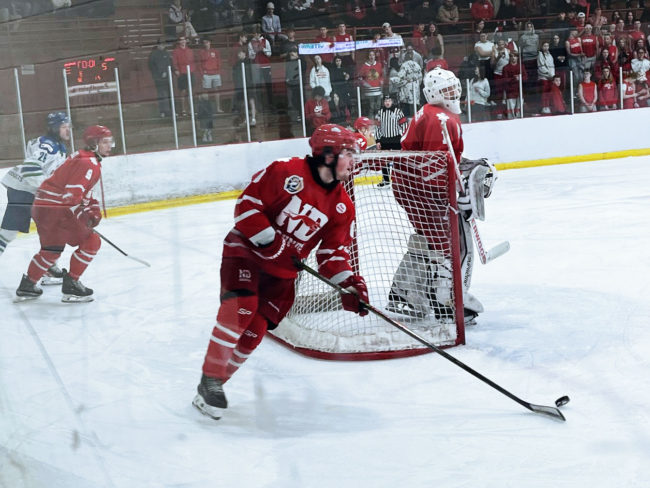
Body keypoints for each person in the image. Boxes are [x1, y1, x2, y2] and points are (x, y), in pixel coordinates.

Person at [192, 124, 368, 420]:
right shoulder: (286, 171)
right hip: (246, 252)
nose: (354, 161)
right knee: (242, 308)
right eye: (349, 153)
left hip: (282, 273)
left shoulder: (342, 206)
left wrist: (347, 284)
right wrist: (271, 242)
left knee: (255, 332)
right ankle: (210, 377)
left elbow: (331, 254)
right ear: (328, 154)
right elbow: (247, 206)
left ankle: (216, 385)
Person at [388, 67, 492, 324]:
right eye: (446, 90)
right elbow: (433, 171)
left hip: (409, 184)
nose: (453, 93)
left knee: (430, 238)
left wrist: (465, 167)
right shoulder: (441, 120)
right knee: (448, 243)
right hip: (420, 189)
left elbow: (440, 160)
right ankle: (447, 301)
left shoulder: (434, 113)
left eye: (454, 88)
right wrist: (456, 197)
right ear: (433, 93)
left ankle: (403, 292)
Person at [15, 126, 114, 302]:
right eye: (105, 142)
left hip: (43, 207)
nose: (110, 146)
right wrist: (85, 215)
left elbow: (80, 191)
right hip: (56, 209)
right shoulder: (88, 163)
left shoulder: (83, 157)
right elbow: (71, 195)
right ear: (93, 143)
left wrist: (92, 206)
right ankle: (71, 284)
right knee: (91, 241)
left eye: (110, 142)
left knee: (51, 249)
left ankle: (27, 285)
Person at [1, 112, 71, 281]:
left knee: (53, 230)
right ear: (54, 128)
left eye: (68, 126)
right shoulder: (48, 145)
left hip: (33, 191)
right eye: (63, 127)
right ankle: (47, 265)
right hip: (23, 190)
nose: (68, 130)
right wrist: (46, 189)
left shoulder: (59, 146)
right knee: (8, 234)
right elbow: (30, 167)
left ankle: (47, 266)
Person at [374, 94, 407, 187]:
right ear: (383, 102)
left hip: (396, 138)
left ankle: (401, 180)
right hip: (384, 139)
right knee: (384, 160)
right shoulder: (380, 112)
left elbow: (404, 125)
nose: (387, 102)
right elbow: (377, 127)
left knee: (399, 160)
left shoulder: (398, 111)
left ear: (392, 101)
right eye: (385, 101)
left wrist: (404, 137)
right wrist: (377, 140)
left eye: (389, 101)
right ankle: (386, 180)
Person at [172, 35, 197, 117]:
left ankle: (191, 109)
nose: (183, 41)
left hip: (190, 72)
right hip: (182, 73)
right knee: (182, 91)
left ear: (186, 41)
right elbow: (174, 62)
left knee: (190, 91)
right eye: (181, 40)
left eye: (184, 40)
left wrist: (193, 70)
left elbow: (193, 61)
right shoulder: (176, 51)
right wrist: (176, 70)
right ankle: (183, 110)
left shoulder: (190, 50)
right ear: (179, 41)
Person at [148, 39, 172, 118]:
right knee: (162, 94)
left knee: (167, 94)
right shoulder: (153, 54)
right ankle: (163, 111)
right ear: (158, 45)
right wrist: (160, 73)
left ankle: (167, 111)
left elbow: (169, 63)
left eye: (164, 44)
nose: (163, 46)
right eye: (161, 44)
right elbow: (151, 66)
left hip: (167, 78)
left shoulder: (166, 53)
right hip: (158, 78)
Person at [199, 37, 224, 113]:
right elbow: (199, 64)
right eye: (204, 42)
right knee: (205, 91)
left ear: (210, 42)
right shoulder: (201, 52)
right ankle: (206, 109)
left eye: (207, 42)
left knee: (217, 90)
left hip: (215, 73)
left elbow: (219, 61)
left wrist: (219, 71)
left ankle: (218, 108)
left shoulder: (215, 51)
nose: (206, 44)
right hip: (206, 74)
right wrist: (202, 74)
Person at [358, 49, 384, 118]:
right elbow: (360, 78)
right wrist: (365, 84)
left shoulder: (379, 65)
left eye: (373, 55)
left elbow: (381, 75)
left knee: (378, 106)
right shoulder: (364, 66)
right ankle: (371, 121)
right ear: (368, 56)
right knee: (371, 107)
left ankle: (378, 120)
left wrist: (381, 82)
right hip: (369, 91)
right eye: (370, 55)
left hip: (378, 90)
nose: (372, 57)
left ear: (375, 56)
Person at [538, 41, 556, 114]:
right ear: (542, 47)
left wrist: (553, 75)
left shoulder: (550, 55)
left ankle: (549, 106)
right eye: (545, 46)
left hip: (551, 77)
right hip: (544, 77)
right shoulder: (540, 55)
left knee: (550, 92)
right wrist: (549, 75)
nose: (546, 47)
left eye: (547, 46)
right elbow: (541, 67)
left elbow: (552, 66)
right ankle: (544, 107)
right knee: (545, 92)